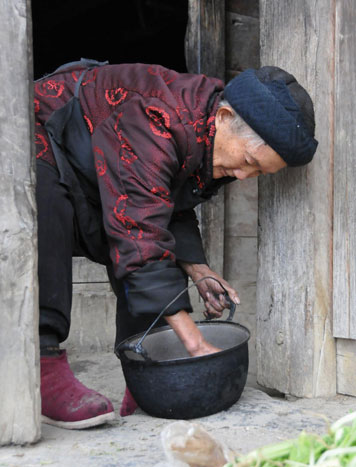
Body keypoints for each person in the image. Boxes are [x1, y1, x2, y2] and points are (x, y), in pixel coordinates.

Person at [35, 60, 318, 429]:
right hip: (38, 137)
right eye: (249, 161)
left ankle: (147, 373)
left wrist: (198, 269)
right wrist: (195, 346)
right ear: (225, 116)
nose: (246, 176)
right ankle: (41, 364)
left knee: (157, 249)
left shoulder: (209, 131)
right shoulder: (156, 115)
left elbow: (165, 202)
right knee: (43, 207)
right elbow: (140, 226)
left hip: (96, 169)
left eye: (260, 173)